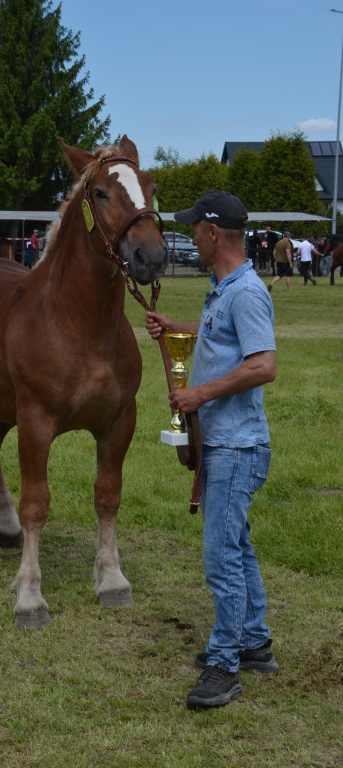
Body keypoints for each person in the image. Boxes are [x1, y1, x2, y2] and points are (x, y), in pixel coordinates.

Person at [146, 190, 278, 709]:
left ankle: (225, 664)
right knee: (237, 546)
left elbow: (263, 364)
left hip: (235, 447)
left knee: (220, 558)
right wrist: (176, 329)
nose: (190, 237)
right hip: (228, 443)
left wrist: (199, 394)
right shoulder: (224, 289)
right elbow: (219, 337)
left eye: (193, 229)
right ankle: (255, 642)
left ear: (213, 232)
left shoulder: (245, 293)